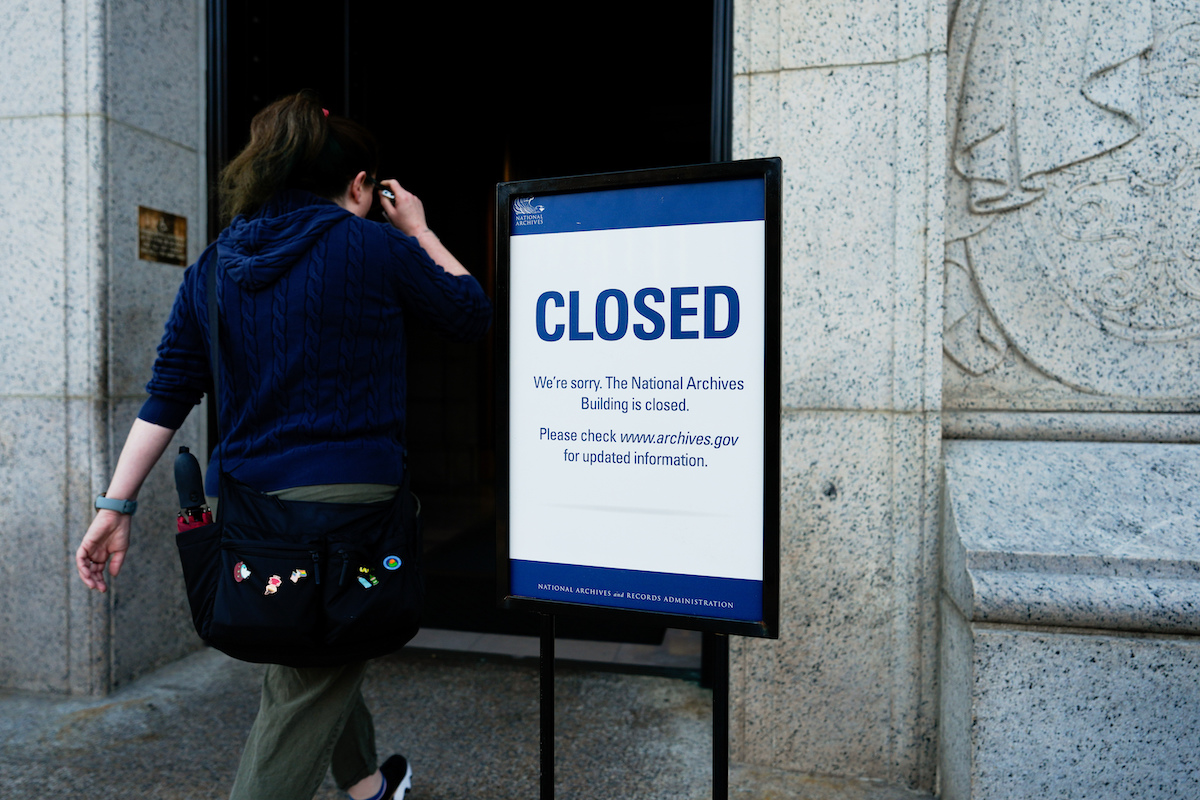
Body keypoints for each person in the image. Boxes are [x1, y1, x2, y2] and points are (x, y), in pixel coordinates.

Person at [74, 90, 492, 800]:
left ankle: (365, 785)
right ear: (360, 186)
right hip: (353, 511)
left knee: (306, 635)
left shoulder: (213, 267)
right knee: (306, 682)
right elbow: (469, 313)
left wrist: (115, 505)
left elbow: (168, 395)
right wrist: (418, 227)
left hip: (252, 516)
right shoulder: (377, 247)